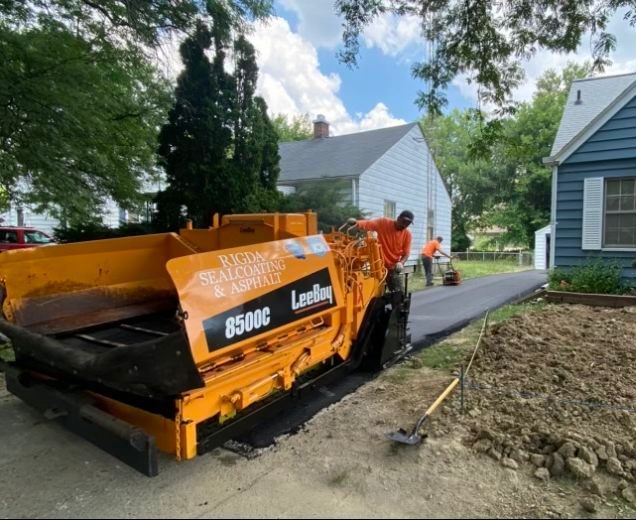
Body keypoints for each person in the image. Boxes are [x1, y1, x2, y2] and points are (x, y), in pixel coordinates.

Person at [347, 210, 414, 292]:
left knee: (398, 292)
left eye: (408, 223)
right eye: (404, 221)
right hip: (376, 265)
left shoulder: (407, 234)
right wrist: (356, 223)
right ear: (398, 218)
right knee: (373, 293)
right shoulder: (384, 223)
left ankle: (398, 302)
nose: (405, 225)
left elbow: (406, 253)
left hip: (392, 267)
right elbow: (369, 224)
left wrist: (401, 263)